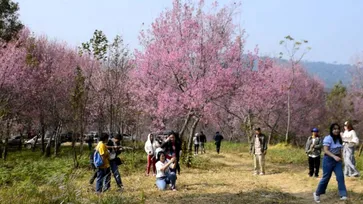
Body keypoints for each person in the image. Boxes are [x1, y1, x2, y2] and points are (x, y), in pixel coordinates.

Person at [314, 123, 347, 203]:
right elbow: (325, 150)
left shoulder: (339, 138)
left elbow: (340, 150)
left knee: (340, 177)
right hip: (328, 159)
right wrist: (334, 157)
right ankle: (317, 193)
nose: (336, 130)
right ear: (332, 130)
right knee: (326, 177)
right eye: (334, 129)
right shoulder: (328, 138)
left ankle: (343, 194)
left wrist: (342, 160)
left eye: (338, 129)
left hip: (337, 160)